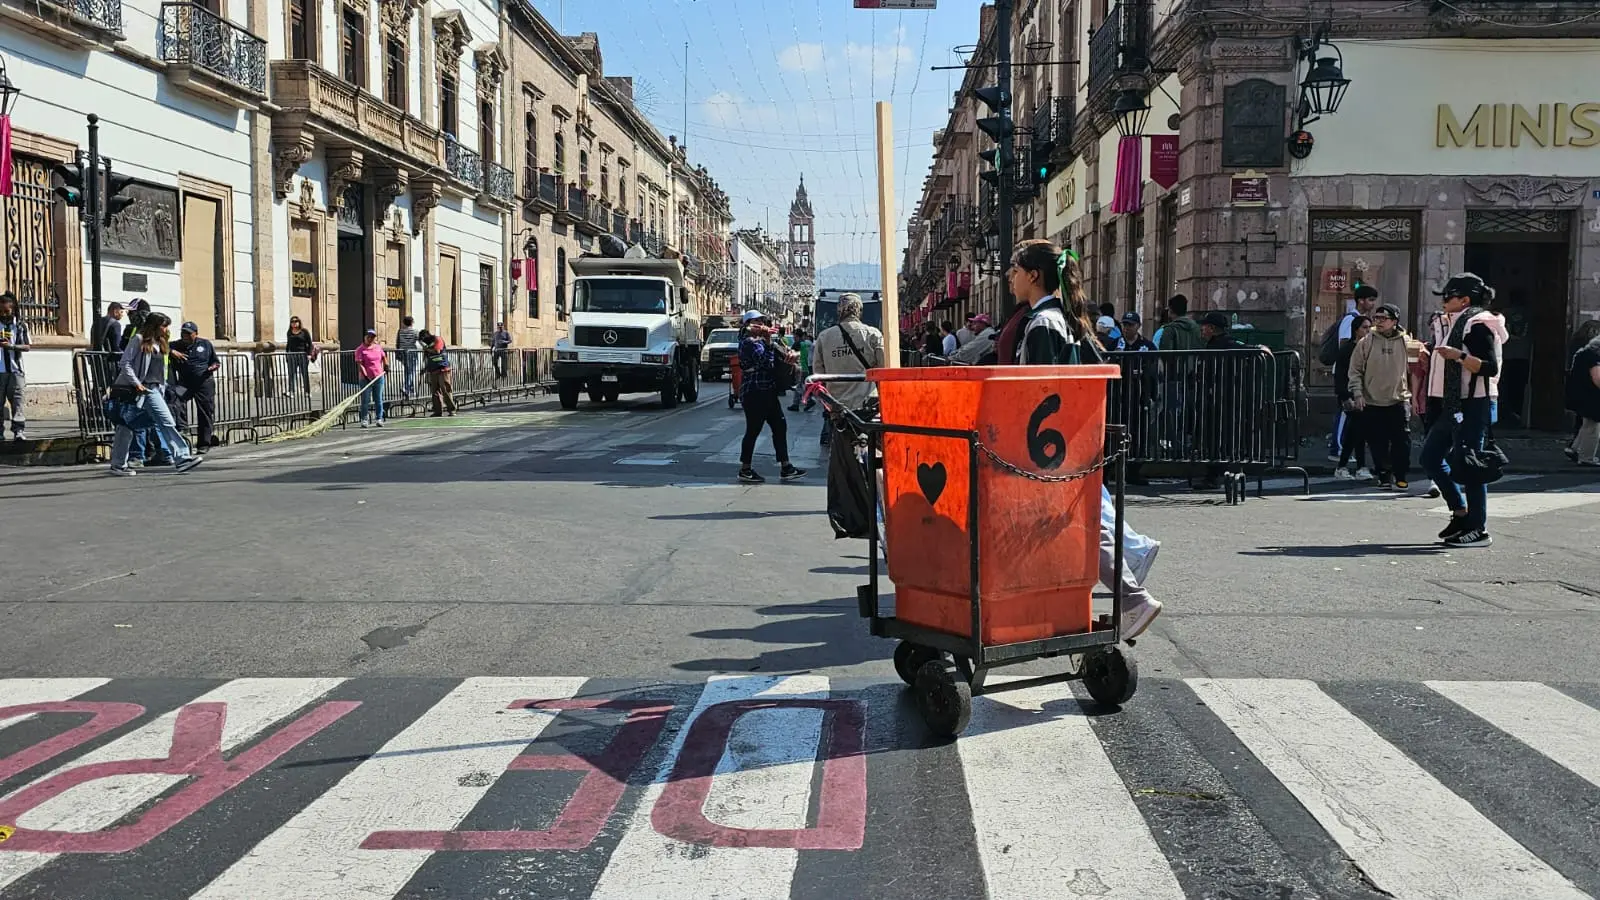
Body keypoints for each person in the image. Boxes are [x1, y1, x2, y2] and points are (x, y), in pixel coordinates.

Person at [1004, 239, 1159, 639]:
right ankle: (1123, 582)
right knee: (1077, 520)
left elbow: (1035, 394)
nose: (1009, 277)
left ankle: (1131, 596)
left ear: (1033, 275)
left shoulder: (1042, 324)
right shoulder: (1069, 321)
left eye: (1015, 270)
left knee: (1072, 523)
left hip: (1044, 445)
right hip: (1069, 440)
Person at [1420, 273, 1508, 548]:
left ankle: (1478, 528)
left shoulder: (1478, 324)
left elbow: (1489, 367)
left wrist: (1457, 356)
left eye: (1448, 296)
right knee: (1430, 457)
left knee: (1471, 464)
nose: (1443, 302)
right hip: (1453, 403)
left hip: (1473, 402)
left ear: (1464, 300)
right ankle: (1460, 512)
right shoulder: (1453, 321)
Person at [108, 312, 203, 475]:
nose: (166, 329)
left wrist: (164, 388)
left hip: (155, 389)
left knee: (128, 425)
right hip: (143, 389)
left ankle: (118, 464)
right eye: (164, 326)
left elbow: (160, 369)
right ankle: (182, 458)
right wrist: (136, 383)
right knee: (166, 421)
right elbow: (125, 362)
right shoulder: (138, 339)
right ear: (154, 326)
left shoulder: (161, 343)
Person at [736, 310, 805, 483]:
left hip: (768, 391)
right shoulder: (748, 342)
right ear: (748, 325)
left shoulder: (761, 341)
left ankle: (786, 466)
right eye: (756, 321)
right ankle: (745, 469)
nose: (761, 324)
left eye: (762, 321)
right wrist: (767, 341)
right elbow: (765, 362)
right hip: (755, 392)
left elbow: (777, 356)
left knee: (780, 426)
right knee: (753, 430)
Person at [1349, 303, 1413, 489]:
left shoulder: (1406, 341)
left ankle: (1400, 475)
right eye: (1376, 318)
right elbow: (1355, 370)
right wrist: (1358, 393)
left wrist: (1415, 397)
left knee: (1402, 440)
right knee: (1377, 442)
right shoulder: (1366, 342)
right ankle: (1384, 475)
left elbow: (1415, 370)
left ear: (1394, 321)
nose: (1379, 322)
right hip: (1373, 400)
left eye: (1383, 318)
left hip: (1398, 398)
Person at [811, 293, 885, 445]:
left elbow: (818, 373)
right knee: (872, 447)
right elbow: (884, 369)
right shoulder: (873, 334)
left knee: (839, 447)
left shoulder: (824, 337)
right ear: (860, 311)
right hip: (867, 405)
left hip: (837, 406)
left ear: (839, 311)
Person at [169, 321, 221, 449]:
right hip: (185, 382)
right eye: (183, 333)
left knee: (205, 411)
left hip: (204, 382)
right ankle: (182, 428)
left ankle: (204, 443)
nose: (185, 336)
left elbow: (215, 361)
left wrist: (213, 367)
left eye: (188, 333)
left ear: (195, 334)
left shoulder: (205, 344)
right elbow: (160, 346)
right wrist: (172, 351)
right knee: (175, 400)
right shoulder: (176, 345)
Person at [1333, 315, 1372, 480]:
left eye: (1369, 328)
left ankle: (1349, 466)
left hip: (1365, 395)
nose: (1368, 331)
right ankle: (1356, 466)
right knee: (1356, 430)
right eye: (1364, 328)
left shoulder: (1370, 348)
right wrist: (1345, 397)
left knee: (1356, 431)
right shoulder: (1347, 349)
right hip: (1351, 395)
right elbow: (1340, 375)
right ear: (1356, 330)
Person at [1564, 325, 1600, 466]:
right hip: (1591, 396)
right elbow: (1597, 379)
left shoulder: (1583, 353)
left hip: (1581, 394)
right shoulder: (1594, 357)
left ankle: (1575, 449)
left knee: (1586, 425)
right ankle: (1587, 457)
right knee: (1592, 427)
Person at [0, 292, 30, 441]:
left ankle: (18, 431)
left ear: (13, 309)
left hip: (16, 370)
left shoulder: (20, 325)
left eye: (6, 311)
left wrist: (11, 346)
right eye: (0, 311)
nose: (3, 314)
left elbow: (27, 346)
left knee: (17, 402)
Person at [417, 329, 457, 417]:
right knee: (435, 391)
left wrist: (427, 349)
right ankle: (438, 411)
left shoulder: (437, 339)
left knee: (445, 389)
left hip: (443, 368)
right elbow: (428, 358)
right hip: (433, 369)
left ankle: (451, 410)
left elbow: (437, 351)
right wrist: (425, 369)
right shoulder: (427, 345)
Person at [355, 329, 388, 427]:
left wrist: (386, 365)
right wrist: (366, 376)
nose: (370, 339)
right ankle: (364, 419)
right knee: (365, 399)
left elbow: (384, 357)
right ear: (365, 337)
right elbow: (360, 364)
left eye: (372, 337)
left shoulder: (378, 347)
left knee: (378, 398)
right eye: (368, 336)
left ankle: (379, 418)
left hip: (378, 376)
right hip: (366, 378)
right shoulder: (360, 349)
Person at [285, 316, 315, 394]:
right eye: (292, 322)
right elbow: (288, 344)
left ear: (299, 322)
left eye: (296, 321)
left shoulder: (304, 332)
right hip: (292, 355)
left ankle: (307, 392)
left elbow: (310, 343)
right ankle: (291, 391)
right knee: (291, 374)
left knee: (304, 373)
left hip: (302, 355)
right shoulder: (289, 332)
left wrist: (309, 354)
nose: (294, 323)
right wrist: (287, 355)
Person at [395, 316, 420, 397]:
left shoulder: (400, 331)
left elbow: (397, 342)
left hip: (403, 353)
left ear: (404, 323)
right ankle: (405, 387)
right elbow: (419, 340)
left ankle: (410, 390)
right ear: (412, 322)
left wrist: (397, 353)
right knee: (411, 371)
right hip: (412, 353)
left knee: (407, 371)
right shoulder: (415, 331)